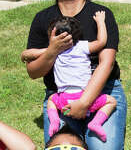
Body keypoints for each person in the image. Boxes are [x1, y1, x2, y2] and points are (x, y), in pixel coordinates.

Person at [24, 0, 126, 150]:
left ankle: (86, 122)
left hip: (102, 89)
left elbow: (106, 62)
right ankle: (78, 127)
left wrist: (85, 103)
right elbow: (33, 72)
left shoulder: (101, 14)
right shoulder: (42, 19)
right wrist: (52, 50)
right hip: (61, 93)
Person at [21, 13, 117, 141]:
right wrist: (100, 21)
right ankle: (96, 123)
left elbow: (29, 54)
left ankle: (55, 121)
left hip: (65, 105)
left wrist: (25, 55)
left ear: (53, 35)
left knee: (51, 101)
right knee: (111, 101)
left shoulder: (55, 51)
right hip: (86, 100)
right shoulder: (82, 47)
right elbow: (102, 41)